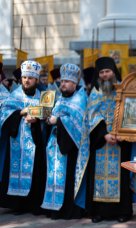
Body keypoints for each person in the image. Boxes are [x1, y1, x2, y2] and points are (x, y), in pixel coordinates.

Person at [86, 56, 133, 223]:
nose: (105, 75)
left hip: (120, 141)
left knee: (121, 175)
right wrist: (104, 134)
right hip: (102, 142)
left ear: (114, 72)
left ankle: (123, 211)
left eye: (108, 71)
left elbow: (131, 112)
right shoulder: (95, 92)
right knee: (99, 174)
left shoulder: (123, 90)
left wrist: (122, 133)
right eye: (102, 72)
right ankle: (99, 212)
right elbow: (91, 116)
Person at [41, 63, 89, 219]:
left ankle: (68, 210)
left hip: (70, 148)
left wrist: (59, 121)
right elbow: (54, 116)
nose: (63, 84)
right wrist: (49, 120)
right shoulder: (60, 98)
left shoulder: (80, 99)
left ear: (74, 84)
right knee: (54, 177)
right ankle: (54, 208)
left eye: (66, 82)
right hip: (55, 146)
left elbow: (79, 122)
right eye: (62, 82)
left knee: (68, 178)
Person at [0, 60, 46, 214]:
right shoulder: (15, 95)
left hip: (35, 141)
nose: (26, 81)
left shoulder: (43, 97)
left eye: (30, 78)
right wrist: (20, 112)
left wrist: (37, 119)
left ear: (36, 80)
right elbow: (4, 115)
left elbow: (49, 117)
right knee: (15, 169)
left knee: (36, 170)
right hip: (16, 142)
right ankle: (17, 204)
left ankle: (33, 204)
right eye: (24, 77)